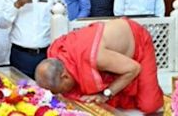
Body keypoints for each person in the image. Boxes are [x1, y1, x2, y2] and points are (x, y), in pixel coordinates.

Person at [35, 18, 163, 113]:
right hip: (113, 55)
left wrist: (105, 94)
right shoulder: (56, 52)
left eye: (62, 90)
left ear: (65, 76)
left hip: (138, 42)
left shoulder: (95, 57)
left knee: (149, 105)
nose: (64, 93)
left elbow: (133, 68)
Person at [0, 0, 64, 78]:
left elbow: (62, 27)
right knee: (19, 95)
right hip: (20, 55)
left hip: (47, 55)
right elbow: (2, 24)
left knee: (47, 96)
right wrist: (17, 5)